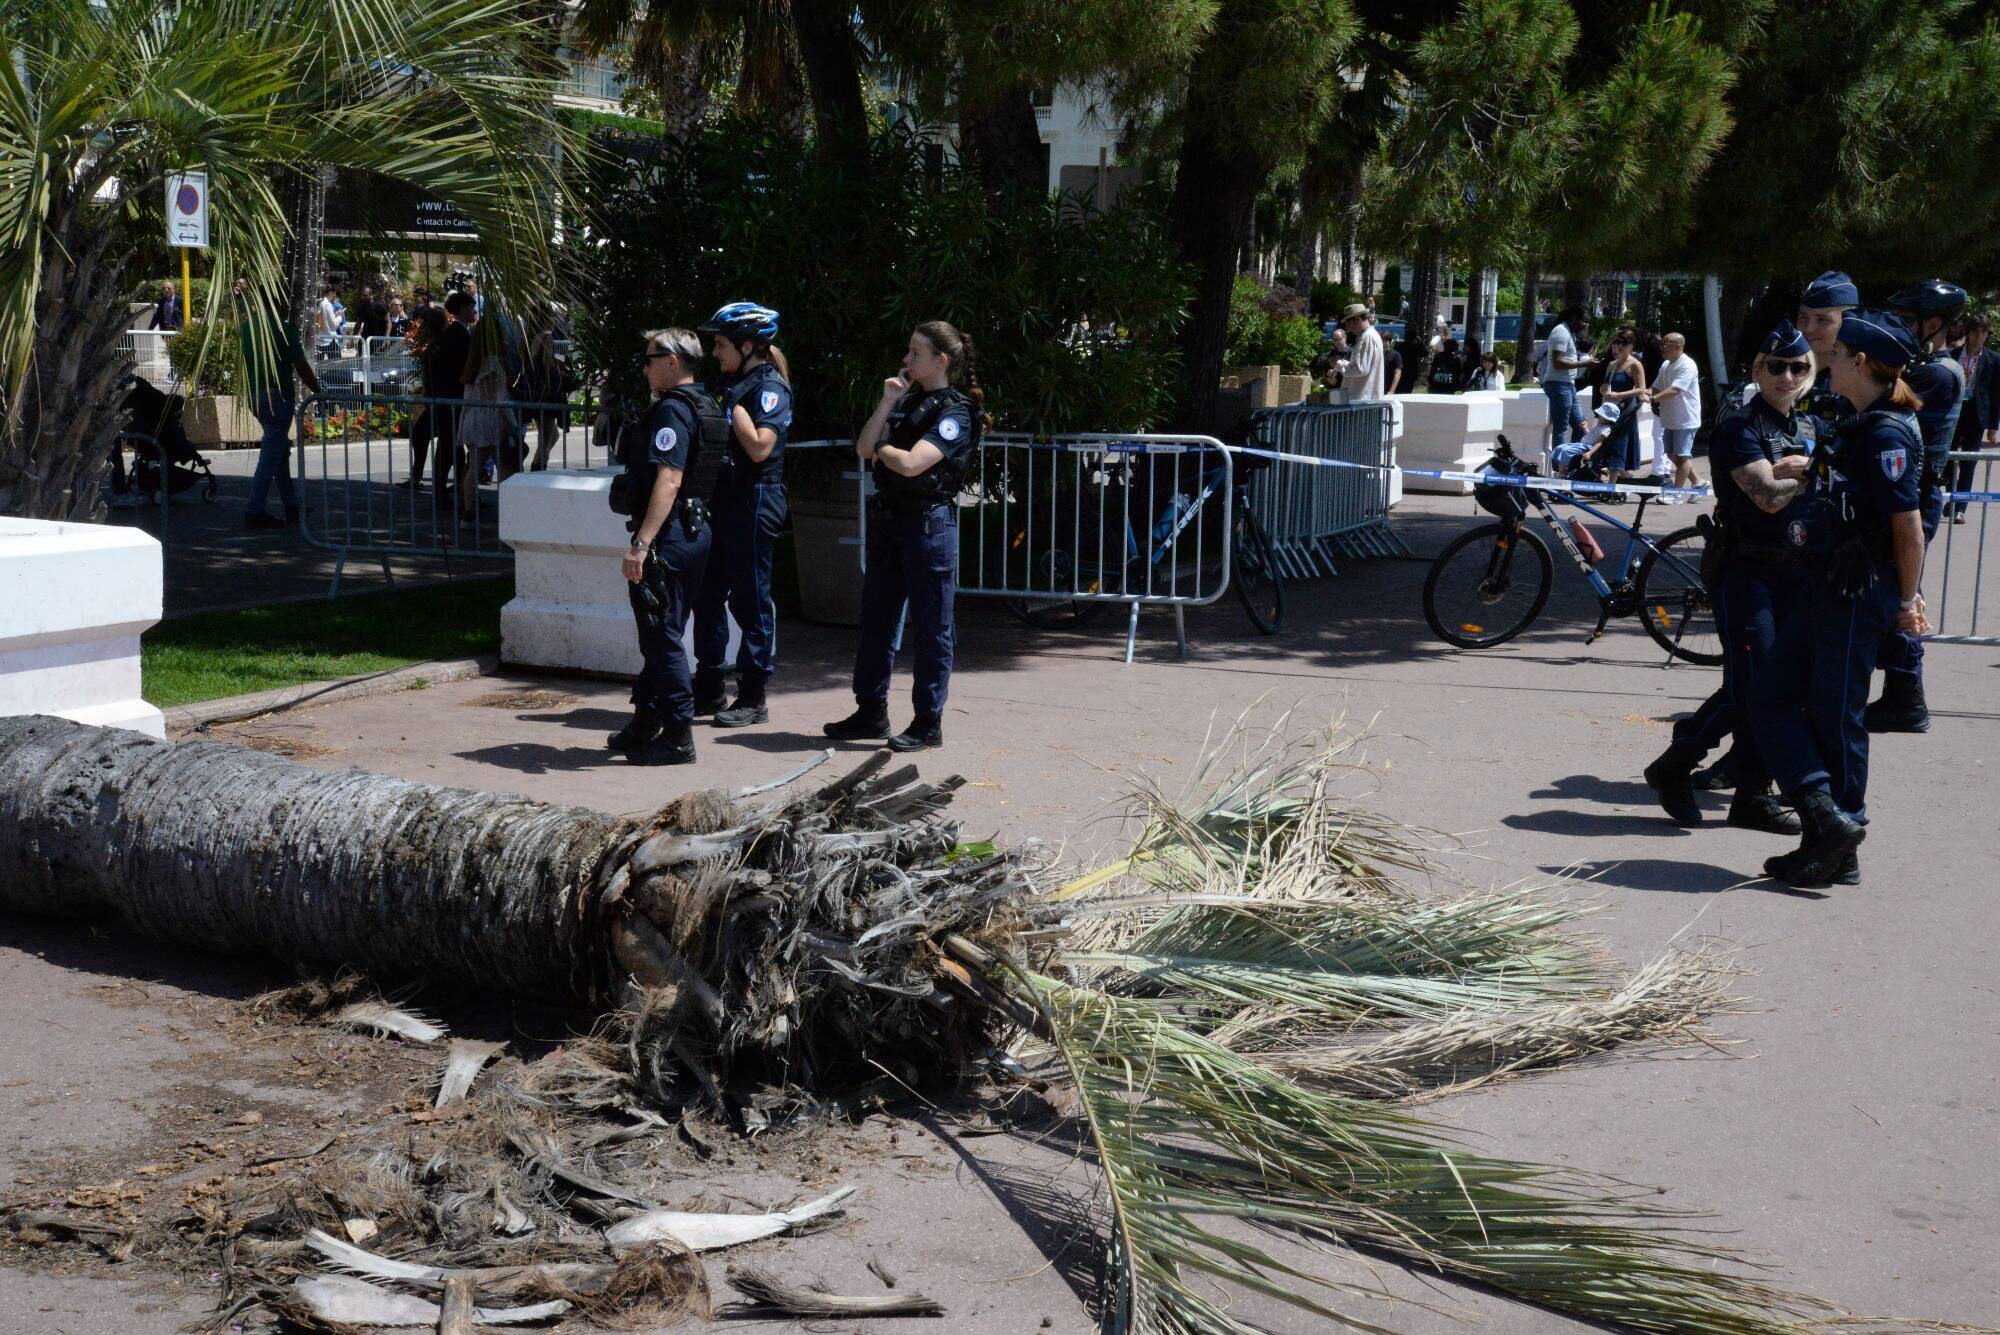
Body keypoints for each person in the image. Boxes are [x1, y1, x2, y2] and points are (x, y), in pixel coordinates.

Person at [1749, 308, 1929, 888]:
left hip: (1858, 591)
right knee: (1770, 697)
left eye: (1838, 352)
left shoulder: (1886, 432)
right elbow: (1849, 490)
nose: (1826, 359)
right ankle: (1826, 820)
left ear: (1860, 361)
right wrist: (1810, 469)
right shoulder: (1858, 420)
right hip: (1826, 583)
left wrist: (1907, 601)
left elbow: (1907, 525)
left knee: (1837, 715)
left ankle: (1839, 842)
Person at [1642, 321, 1816, 837]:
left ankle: (1751, 794)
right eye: (1776, 366)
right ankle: (1678, 763)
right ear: (1758, 370)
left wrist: (1806, 470)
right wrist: (1814, 473)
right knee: (1753, 686)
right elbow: (1766, 497)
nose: (1787, 376)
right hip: (1745, 573)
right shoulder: (1740, 428)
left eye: (1798, 367)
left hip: (1794, 573)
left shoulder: (1809, 429)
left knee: (1775, 689)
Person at [824, 321, 985, 752]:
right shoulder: (905, 401)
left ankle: (927, 721)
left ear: (941, 361)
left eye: (916, 353)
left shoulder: (957, 411)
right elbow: (863, 447)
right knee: (876, 620)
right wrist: (886, 402)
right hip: (889, 523)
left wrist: (885, 451)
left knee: (932, 628)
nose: (906, 359)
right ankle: (870, 711)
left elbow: (913, 464)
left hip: (928, 526)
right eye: (908, 351)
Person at [610, 329, 721, 767]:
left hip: (669, 537)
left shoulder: (673, 410)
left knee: (662, 637)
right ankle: (646, 719)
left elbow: (669, 480)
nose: (645, 368)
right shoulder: (706, 404)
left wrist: (641, 544)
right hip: (694, 532)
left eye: (650, 359)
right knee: (663, 631)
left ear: (673, 361)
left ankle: (678, 737)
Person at [1862, 278, 1966, 733]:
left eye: (1907, 320)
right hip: (1905, 492)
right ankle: (1902, 693)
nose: (1898, 327)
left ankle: (1906, 696)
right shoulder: (1926, 366)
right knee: (1895, 589)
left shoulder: (1938, 373)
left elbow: (1874, 400)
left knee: (1901, 592)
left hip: (1914, 496)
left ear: (1934, 324)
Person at [690, 303, 794, 729]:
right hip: (723, 498)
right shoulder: (733, 384)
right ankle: (709, 685)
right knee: (707, 594)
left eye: (721, 344)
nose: (715, 353)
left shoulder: (769, 389)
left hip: (755, 499)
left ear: (747, 346)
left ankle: (752, 695)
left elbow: (760, 447)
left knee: (750, 599)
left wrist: (732, 408)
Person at [237, 279, 322, 529]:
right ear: (277, 301)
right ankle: (255, 508)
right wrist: (318, 391)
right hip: (278, 395)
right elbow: (301, 365)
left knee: (279, 451)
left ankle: (291, 505)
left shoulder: (247, 327)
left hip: (255, 394)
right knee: (270, 455)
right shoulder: (284, 328)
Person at [425, 291, 473, 517]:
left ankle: (456, 493)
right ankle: (458, 496)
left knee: (451, 447)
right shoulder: (459, 334)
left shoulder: (455, 333)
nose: (474, 311)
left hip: (448, 398)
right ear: (462, 309)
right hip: (453, 398)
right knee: (450, 447)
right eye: (471, 307)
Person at [1950, 312, 1999, 522]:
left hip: (1976, 415)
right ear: (1968, 333)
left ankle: (1960, 507)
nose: (1979, 336)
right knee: (1948, 460)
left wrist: (1993, 427)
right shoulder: (1953, 355)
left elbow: (1996, 394)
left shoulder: (1994, 359)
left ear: (1987, 335)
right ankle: (1950, 497)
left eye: (1983, 332)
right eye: (1975, 331)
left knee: (1969, 462)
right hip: (1954, 412)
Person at [1648, 332, 1703, 496]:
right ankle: (1698, 481)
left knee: (1682, 457)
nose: (1662, 348)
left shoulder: (1687, 365)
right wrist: (1645, 392)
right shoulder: (1666, 365)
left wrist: (1653, 398)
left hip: (1685, 419)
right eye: (1662, 344)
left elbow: (1675, 390)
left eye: (1666, 345)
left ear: (1678, 347)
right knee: (1672, 455)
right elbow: (1656, 387)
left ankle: (1676, 493)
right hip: (1670, 419)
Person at [1595, 328, 1646, 496]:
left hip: (1625, 412)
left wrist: (1619, 395)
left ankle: (1611, 487)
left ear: (1631, 345)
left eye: (1623, 343)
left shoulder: (1635, 365)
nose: (1619, 346)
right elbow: (1605, 385)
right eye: (1616, 342)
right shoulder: (1612, 365)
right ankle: (1626, 480)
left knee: (1619, 446)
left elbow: (1641, 389)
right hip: (1609, 411)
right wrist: (1604, 391)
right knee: (1607, 445)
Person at [1540, 305, 1595, 451]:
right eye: (1583, 322)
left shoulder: (1569, 332)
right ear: (1574, 318)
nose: (1584, 326)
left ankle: (1572, 459)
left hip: (1568, 385)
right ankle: (1559, 464)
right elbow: (1557, 362)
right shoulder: (1561, 332)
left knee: (1580, 426)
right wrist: (1586, 363)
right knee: (1561, 428)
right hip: (1558, 385)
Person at [1338, 304, 1384, 401]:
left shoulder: (1367, 336)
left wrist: (1339, 364)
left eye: (1348, 323)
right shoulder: (1370, 335)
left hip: (1362, 400)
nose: (1348, 328)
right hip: (1365, 400)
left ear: (1357, 318)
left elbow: (1360, 369)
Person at [315, 283, 343, 359]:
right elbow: (334, 325)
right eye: (334, 294)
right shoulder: (328, 304)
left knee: (319, 364)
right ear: (331, 293)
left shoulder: (320, 303)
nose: (335, 296)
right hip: (329, 339)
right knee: (337, 363)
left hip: (320, 339)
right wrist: (339, 317)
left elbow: (324, 319)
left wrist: (335, 315)